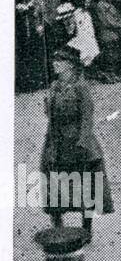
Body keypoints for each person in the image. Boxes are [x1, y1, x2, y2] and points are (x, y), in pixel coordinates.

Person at [41, 47, 114, 240]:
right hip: (57, 141)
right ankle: (58, 227)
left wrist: (83, 142)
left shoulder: (81, 87)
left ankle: (86, 228)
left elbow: (87, 118)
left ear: (70, 65)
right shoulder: (55, 86)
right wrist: (48, 103)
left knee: (86, 187)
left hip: (78, 142)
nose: (55, 64)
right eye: (55, 61)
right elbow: (51, 115)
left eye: (60, 61)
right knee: (54, 185)